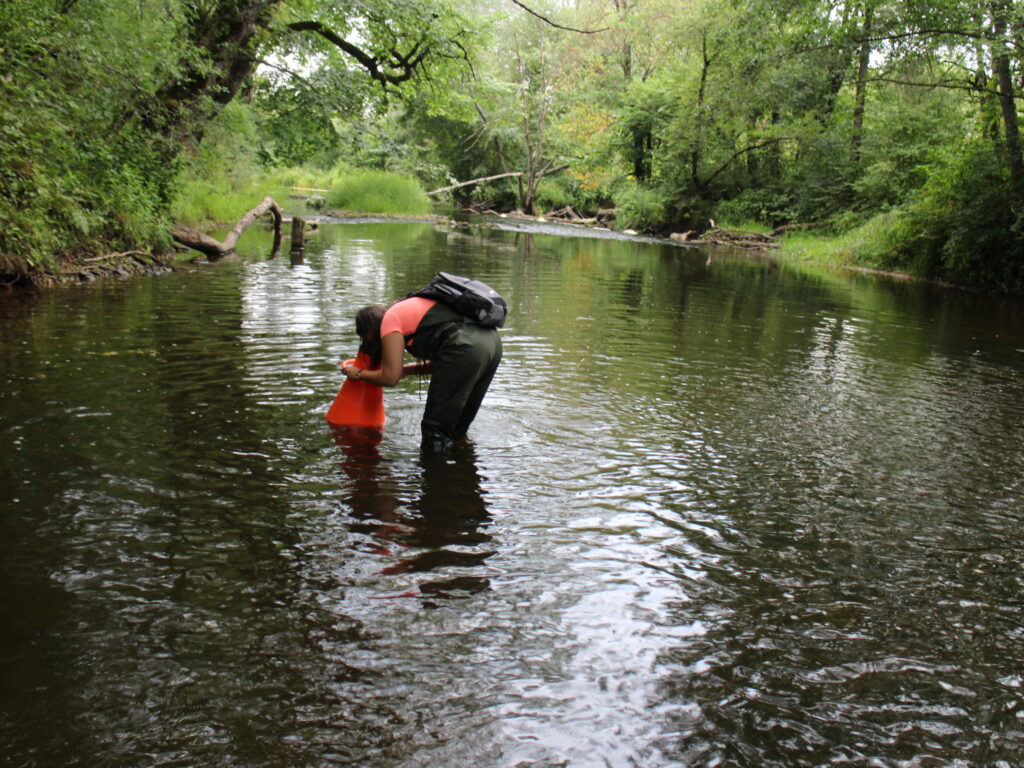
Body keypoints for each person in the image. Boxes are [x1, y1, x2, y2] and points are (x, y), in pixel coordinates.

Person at [341, 294, 503, 453]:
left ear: (368, 328)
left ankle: (434, 475)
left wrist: (358, 373)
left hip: (466, 348)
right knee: (458, 428)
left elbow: (390, 378)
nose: (366, 341)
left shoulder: (389, 323)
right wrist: (405, 371)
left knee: (434, 430)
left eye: (364, 336)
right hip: (492, 343)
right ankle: (461, 470)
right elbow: (446, 364)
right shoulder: (406, 309)